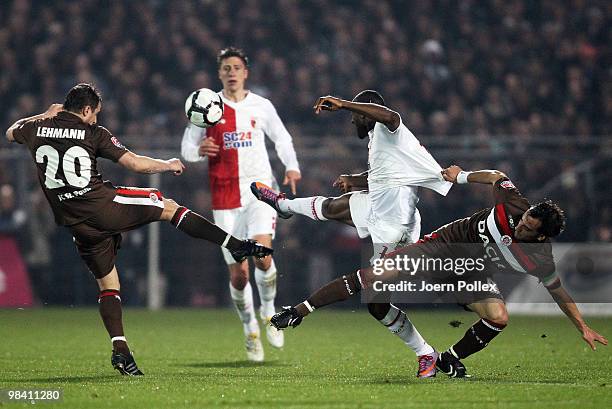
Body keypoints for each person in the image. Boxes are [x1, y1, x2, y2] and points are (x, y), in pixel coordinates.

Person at [5, 83, 272, 376]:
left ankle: (121, 350)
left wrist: (43, 114)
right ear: (85, 110)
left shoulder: (37, 128)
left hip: (76, 222)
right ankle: (233, 244)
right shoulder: (94, 133)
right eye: (95, 113)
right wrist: (167, 164)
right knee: (166, 205)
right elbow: (135, 163)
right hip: (104, 205)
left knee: (109, 286)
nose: (96, 119)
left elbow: (11, 131)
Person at [271, 166, 608, 377]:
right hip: (440, 248)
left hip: (470, 272)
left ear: (541, 236)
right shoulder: (516, 203)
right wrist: (461, 176)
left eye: (527, 227)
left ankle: (447, 360)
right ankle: (300, 310)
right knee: (376, 279)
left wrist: (582, 327)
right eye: (523, 219)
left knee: (499, 317)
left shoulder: (540, 257)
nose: (520, 224)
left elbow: (558, 291)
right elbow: (496, 177)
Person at [251, 90, 453, 377]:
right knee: (332, 207)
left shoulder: (388, 128)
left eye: (356, 116)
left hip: (396, 229)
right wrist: (356, 180)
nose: (352, 121)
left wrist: (345, 104)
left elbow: (391, 115)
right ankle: (283, 205)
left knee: (376, 304)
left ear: (365, 113)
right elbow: (388, 175)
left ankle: (426, 353)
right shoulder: (378, 141)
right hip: (377, 209)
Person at [181, 47, 301, 362]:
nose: (231, 72)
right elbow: (186, 149)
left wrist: (292, 167)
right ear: (219, 74)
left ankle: (271, 314)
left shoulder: (262, 106)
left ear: (245, 72)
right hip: (224, 198)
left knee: (263, 257)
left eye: (236, 67)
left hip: (260, 191)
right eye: (226, 68)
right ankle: (250, 329)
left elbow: (282, 138)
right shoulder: (207, 106)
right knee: (240, 275)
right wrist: (199, 150)